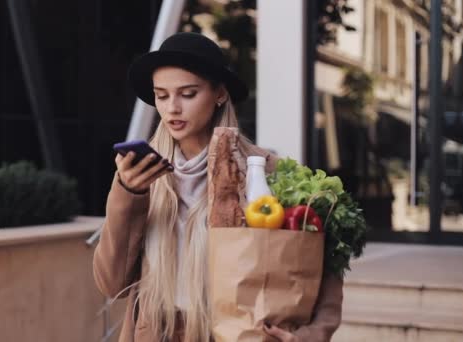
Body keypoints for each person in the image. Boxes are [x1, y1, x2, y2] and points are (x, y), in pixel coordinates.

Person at [93, 32, 343, 342]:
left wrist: (309, 335)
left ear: (219, 94)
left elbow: (323, 269)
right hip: (158, 332)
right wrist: (128, 195)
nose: (172, 108)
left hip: (234, 333)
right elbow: (112, 284)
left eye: (187, 93)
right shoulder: (142, 173)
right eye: (162, 95)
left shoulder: (265, 171)